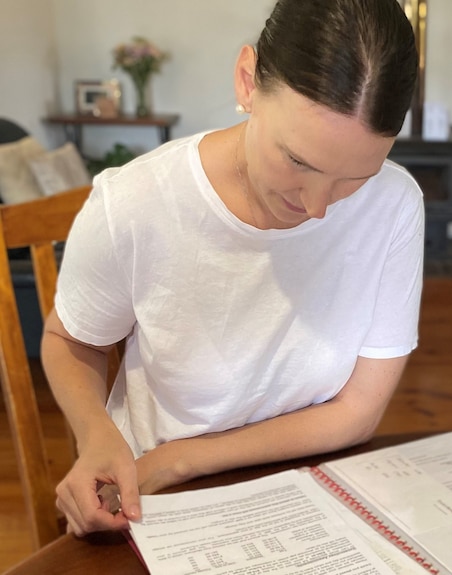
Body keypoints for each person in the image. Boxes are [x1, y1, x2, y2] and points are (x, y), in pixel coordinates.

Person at [42, 0, 422, 537]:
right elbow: (69, 339)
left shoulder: (394, 204)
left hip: (308, 498)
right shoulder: (136, 202)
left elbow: (359, 409)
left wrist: (184, 457)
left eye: (356, 176)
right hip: (159, 505)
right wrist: (97, 432)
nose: (317, 207)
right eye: (298, 162)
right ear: (247, 81)